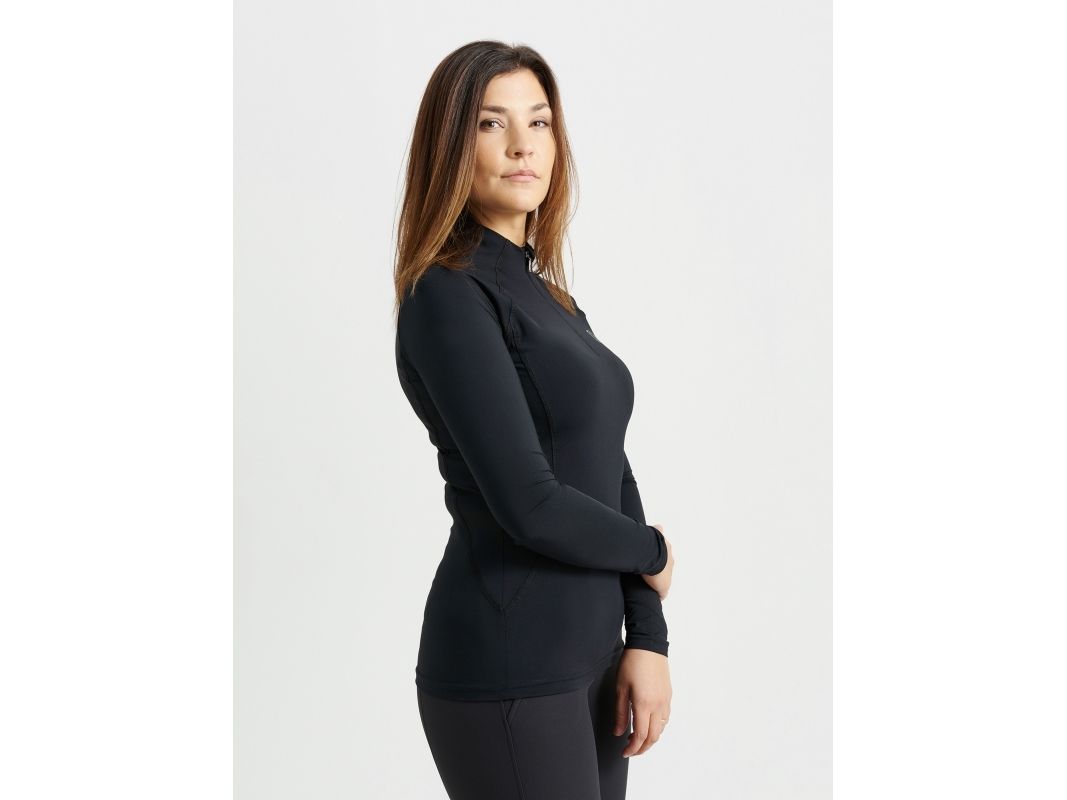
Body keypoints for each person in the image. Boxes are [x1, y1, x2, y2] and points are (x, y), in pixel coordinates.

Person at [392, 40, 676, 800]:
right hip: (509, 664)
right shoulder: (447, 296)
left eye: (539, 121)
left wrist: (647, 638)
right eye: (491, 124)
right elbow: (529, 502)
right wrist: (651, 550)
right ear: (452, 147)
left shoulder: (548, 297)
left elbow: (609, 466)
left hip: (595, 658)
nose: (523, 145)